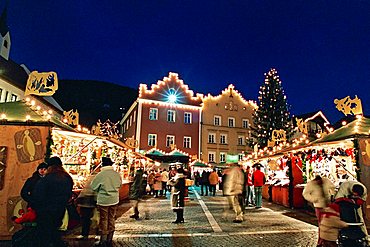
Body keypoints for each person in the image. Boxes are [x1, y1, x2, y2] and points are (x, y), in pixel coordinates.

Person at [32, 156, 73, 247]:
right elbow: (69, 194)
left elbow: (38, 195)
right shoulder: (67, 178)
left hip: (45, 210)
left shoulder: (46, 179)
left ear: (49, 167)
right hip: (60, 209)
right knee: (55, 230)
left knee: (44, 234)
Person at [91, 157, 122, 247]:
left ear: (103, 164)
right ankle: (110, 238)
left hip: (103, 200)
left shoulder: (101, 174)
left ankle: (103, 240)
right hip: (114, 199)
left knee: (104, 219)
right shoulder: (116, 174)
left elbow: (94, 187)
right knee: (112, 218)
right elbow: (119, 185)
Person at [303, 175, 335, 246]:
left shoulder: (326, 181)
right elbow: (305, 194)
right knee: (322, 224)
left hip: (328, 205)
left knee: (329, 223)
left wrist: (332, 195)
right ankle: (321, 241)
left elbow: (333, 187)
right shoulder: (311, 184)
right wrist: (314, 199)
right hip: (319, 206)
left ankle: (327, 240)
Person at [76, 172, 98, 240]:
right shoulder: (97, 179)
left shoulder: (90, 179)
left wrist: (79, 198)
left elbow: (84, 191)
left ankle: (85, 234)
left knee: (85, 219)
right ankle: (95, 234)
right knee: (93, 219)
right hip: (91, 201)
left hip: (86, 201)